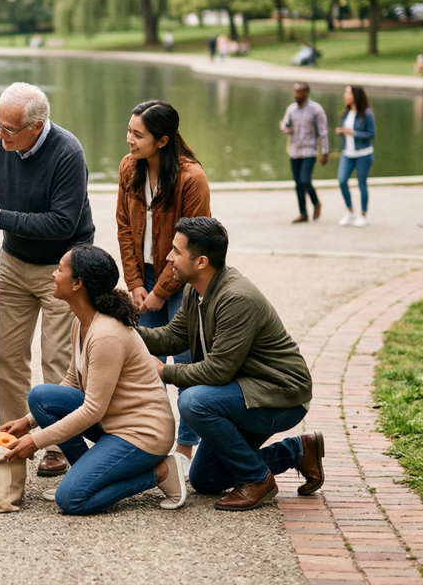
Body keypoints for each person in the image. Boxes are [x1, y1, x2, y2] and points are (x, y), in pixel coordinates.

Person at [138, 217, 323, 511]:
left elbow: (217, 370)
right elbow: (173, 337)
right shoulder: (194, 288)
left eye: (176, 251)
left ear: (201, 262)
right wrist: (128, 330)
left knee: (194, 401)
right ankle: (299, 451)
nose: (168, 257)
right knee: (206, 479)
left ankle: (257, 479)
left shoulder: (236, 298)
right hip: (243, 389)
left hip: (281, 393)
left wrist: (164, 372)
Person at [0, 82, 95, 478]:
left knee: (57, 359)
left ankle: (55, 445)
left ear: (36, 127)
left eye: (9, 129)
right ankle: (12, 436)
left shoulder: (68, 153)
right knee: (8, 356)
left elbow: (63, 222)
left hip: (63, 268)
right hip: (15, 261)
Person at [0, 245, 187, 514]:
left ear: (78, 284)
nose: (53, 274)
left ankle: (161, 471)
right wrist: (28, 422)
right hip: (113, 424)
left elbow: (92, 409)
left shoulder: (106, 334)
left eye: (60, 269)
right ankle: (90, 477)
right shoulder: (82, 322)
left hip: (143, 435)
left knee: (71, 499)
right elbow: (73, 383)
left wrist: (35, 441)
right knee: (42, 397)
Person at [116, 100, 210, 459]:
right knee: (145, 362)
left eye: (138, 135)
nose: (129, 140)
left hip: (184, 281)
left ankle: (186, 448)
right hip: (145, 278)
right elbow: (125, 227)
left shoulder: (191, 178)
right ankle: (152, 442)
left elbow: (195, 245)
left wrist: (158, 291)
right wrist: (136, 283)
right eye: (129, 131)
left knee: (186, 363)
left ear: (163, 140)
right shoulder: (130, 168)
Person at [280, 83, 329, 223]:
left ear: (306, 93)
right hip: (294, 150)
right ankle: (303, 213)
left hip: (309, 150)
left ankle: (316, 203)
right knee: (298, 183)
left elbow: (323, 132)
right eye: (295, 92)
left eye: (299, 92)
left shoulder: (316, 110)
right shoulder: (291, 109)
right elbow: (284, 123)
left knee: (305, 179)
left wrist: (325, 152)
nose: (295, 95)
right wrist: (286, 128)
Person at [336, 86, 376, 227]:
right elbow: (347, 132)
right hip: (347, 153)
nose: (345, 95)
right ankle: (350, 211)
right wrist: (341, 132)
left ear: (356, 95)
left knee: (362, 184)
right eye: (345, 92)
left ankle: (363, 214)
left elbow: (371, 134)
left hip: (363, 154)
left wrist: (354, 133)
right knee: (341, 180)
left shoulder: (367, 113)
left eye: (348, 93)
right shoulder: (346, 113)